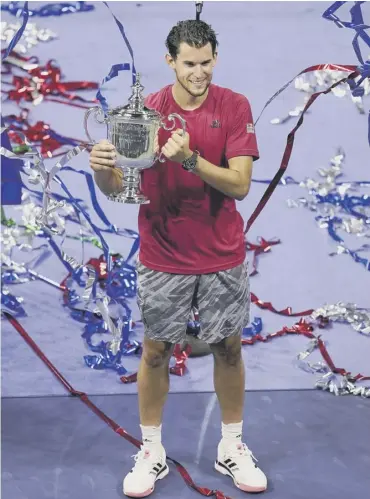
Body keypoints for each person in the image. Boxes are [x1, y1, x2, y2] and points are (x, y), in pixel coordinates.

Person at [89, 19, 267, 497]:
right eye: (189, 63)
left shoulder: (233, 106)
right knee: (156, 351)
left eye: (206, 61)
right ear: (170, 61)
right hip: (163, 254)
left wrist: (190, 159)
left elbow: (241, 184)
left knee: (229, 349)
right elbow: (120, 189)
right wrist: (102, 170)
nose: (199, 71)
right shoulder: (147, 112)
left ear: (215, 57)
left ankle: (231, 445)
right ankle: (151, 451)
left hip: (221, 255)